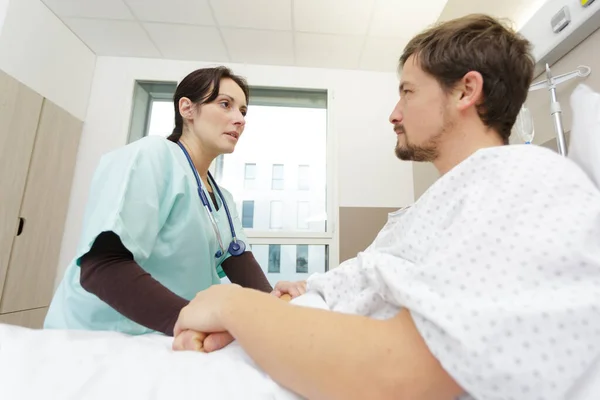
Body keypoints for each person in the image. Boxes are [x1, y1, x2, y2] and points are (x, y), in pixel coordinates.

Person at [171, 14, 600, 400]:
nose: (394, 114)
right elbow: (397, 288)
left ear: (466, 91)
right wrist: (313, 293)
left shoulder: (520, 182)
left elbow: (397, 376)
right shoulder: (450, 199)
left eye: (407, 92)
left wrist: (235, 305)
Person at [45, 66, 304, 338]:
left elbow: (237, 259)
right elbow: (101, 266)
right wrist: (190, 320)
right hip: (96, 336)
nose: (239, 119)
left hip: (161, 337)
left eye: (243, 111)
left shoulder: (223, 199)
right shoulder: (152, 157)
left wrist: (273, 302)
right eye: (225, 104)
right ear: (187, 108)